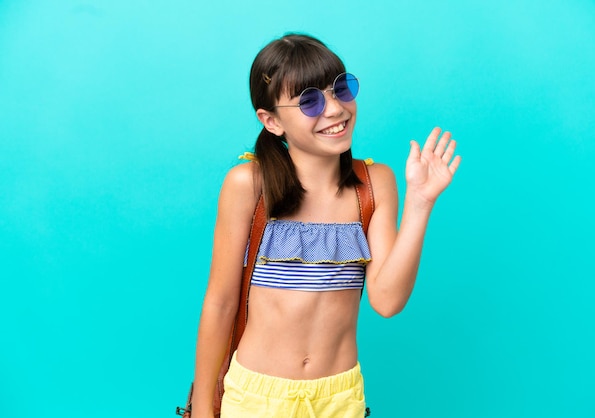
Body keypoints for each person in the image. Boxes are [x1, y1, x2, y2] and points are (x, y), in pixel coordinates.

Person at [192, 33, 461, 418]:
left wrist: (420, 203)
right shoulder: (248, 184)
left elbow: (386, 302)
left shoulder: (374, 183)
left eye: (340, 89)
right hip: (255, 396)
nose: (335, 109)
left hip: (340, 396)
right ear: (271, 121)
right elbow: (220, 303)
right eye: (310, 101)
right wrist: (203, 408)